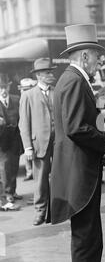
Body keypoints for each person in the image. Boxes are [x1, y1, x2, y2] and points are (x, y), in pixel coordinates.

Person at [48, 24, 105, 262]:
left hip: (76, 171)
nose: (98, 62)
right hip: (79, 173)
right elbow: (76, 127)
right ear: (85, 55)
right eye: (97, 57)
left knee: (91, 239)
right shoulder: (75, 80)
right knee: (86, 242)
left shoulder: (70, 79)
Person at [19, 59, 56, 226]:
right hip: (39, 144)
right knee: (40, 180)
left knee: (58, 177)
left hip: (58, 143)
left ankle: (56, 210)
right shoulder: (28, 95)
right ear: (39, 75)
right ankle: (40, 211)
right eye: (48, 73)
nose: (51, 75)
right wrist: (27, 146)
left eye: (51, 72)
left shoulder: (57, 92)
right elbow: (24, 123)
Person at [0, 73, 23, 211]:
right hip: (1, 142)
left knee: (14, 166)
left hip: (15, 139)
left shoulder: (16, 99)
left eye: (4, 87)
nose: (3, 91)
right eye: (0, 88)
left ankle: (12, 191)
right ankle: (6, 194)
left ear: (9, 87)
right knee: (4, 169)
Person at [18, 78, 37, 181]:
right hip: (24, 129)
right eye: (22, 89)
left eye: (26, 89)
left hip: (33, 130)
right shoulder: (21, 98)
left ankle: (33, 172)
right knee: (27, 151)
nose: (23, 91)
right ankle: (29, 172)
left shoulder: (33, 97)